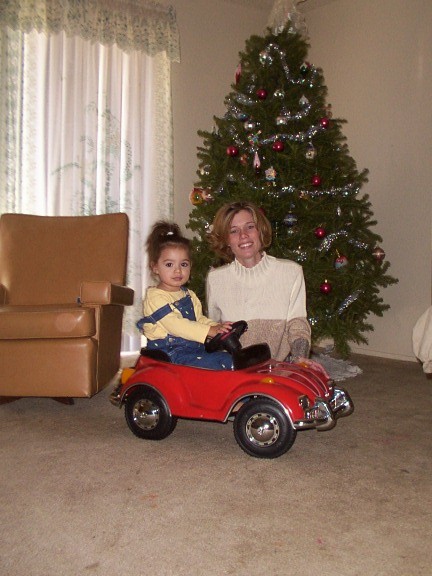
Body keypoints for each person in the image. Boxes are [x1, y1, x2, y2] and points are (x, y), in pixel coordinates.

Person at [206, 201, 313, 364]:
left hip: (275, 369)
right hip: (232, 371)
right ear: (226, 240)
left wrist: (301, 358)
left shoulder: (291, 272)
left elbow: (298, 325)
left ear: (260, 231)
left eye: (250, 227)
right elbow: (212, 329)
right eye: (233, 231)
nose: (243, 235)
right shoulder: (215, 279)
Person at [137, 221, 233, 370]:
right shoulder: (155, 297)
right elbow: (176, 325)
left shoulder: (189, 295)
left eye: (184, 264)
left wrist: (216, 326)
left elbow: (199, 319)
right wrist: (209, 331)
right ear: (155, 267)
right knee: (217, 365)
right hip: (170, 354)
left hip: (193, 350)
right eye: (169, 265)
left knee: (228, 358)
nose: (178, 271)